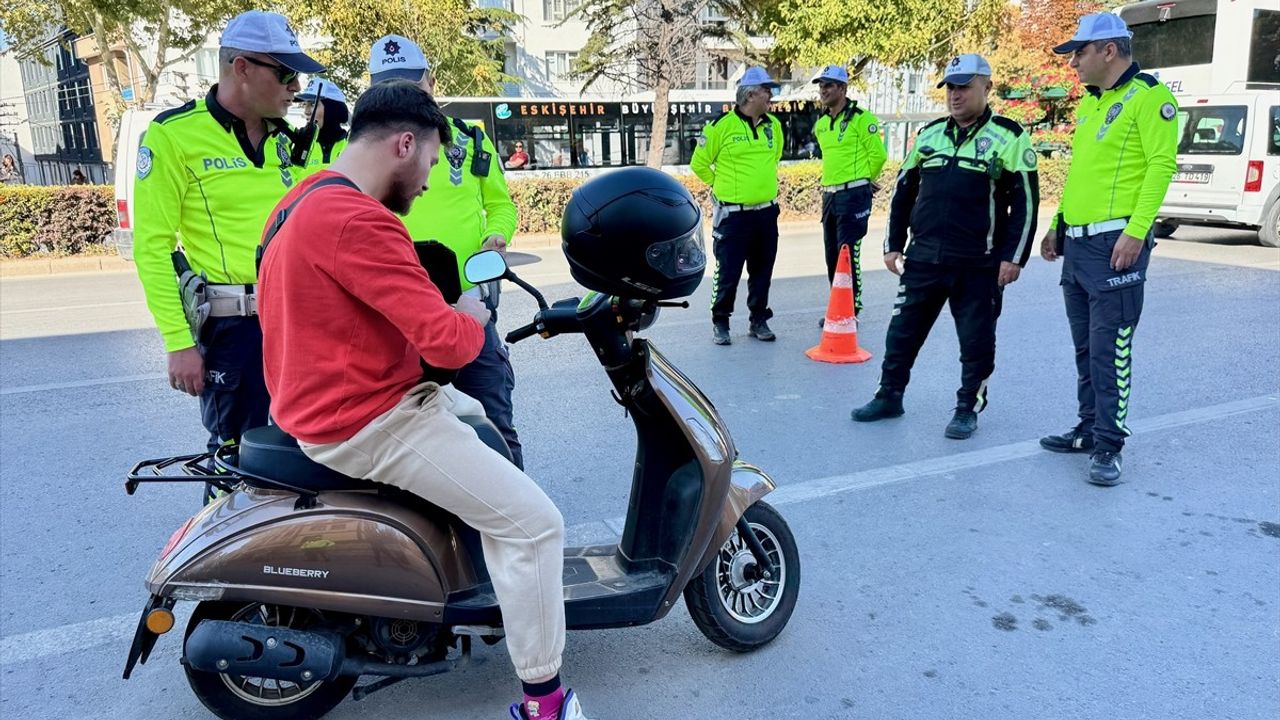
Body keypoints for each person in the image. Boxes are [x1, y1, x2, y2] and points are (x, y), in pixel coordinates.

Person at [256, 79, 591, 720]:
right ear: (405, 144)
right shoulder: (360, 220)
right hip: (369, 419)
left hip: (326, 403)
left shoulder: (301, 200)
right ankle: (544, 703)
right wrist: (471, 311)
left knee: (485, 433)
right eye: (432, 162)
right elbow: (450, 346)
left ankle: (482, 590)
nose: (431, 181)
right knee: (537, 523)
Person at [131, 10, 323, 494]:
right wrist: (178, 342)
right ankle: (224, 558)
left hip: (296, 321)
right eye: (284, 73)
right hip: (233, 330)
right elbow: (152, 248)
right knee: (236, 462)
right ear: (241, 68)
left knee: (301, 451)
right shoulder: (174, 136)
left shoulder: (289, 142)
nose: (295, 85)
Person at [851, 54, 1039, 440]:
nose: (955, 95)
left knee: (976, 341)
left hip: (978, 264)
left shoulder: (1009, 135)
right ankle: (889, 396)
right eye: (951, 87)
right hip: (923, 259)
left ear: (986, 87)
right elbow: (903, 191)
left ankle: (967, 407)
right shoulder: (930, 134)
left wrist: (1013, 257)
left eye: (964, 86)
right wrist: (892, 245)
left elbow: (1025, 201)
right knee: (901, 334)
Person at [367, 35, 525, 468]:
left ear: (431, 83)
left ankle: (510, 530)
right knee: (406, 439)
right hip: (395, 315)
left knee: (493, 425)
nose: (399, 98)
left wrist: (496, 235)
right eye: (386, 88)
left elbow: (500, 205)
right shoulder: (357, 152)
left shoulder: (470, 142)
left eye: (409, 86)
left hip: (467, 307)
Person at [1038, 13, 1178, 486]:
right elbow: (1083, 174)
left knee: (1110, 348)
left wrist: (1137, 232)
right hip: (1078, 242)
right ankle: (1086, 427)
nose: (1073, 61)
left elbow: (1161, 166)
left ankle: (1109, 444)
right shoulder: (1092, 105)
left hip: (1115, 244)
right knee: (1085, 347)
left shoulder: (1149, 98)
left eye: (1079, 51)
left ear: (1109, 51)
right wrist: (1058, 224)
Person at [691, 65, 785, 345]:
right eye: (767, 90)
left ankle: (759, 320)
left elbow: (774, 159)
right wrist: (720, 188)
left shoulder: (774, 126)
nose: (771, 95)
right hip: (733, 216)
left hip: (767, 214)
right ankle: (721, 322)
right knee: (728, 272)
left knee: (762, 271)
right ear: (751, 94)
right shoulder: (720, 126)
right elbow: (699, 164)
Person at [812, 63, 887, 319]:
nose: (823, 90)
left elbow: (878, 155)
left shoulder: (861, 119)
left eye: (829, 85)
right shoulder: (821, 123)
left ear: (843, 88)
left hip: (853, 195)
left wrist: (867, 180)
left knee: (848, 253)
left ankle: (850, 310)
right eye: (821, 86)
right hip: (830, 195)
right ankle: (838, 307)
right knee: (831, 255)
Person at [296, 78, 350, 175]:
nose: (306, 111)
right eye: (304, 104)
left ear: (332, 110)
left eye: (313, 104)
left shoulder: (351, 145)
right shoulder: (296, 145)